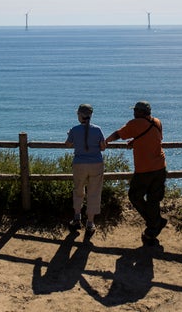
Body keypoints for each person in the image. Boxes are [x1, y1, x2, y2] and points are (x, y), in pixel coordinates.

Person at [105, 100, 167, 245]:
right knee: (153, 200)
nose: (133, 113)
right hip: (160, 167)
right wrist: (136, 141)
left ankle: (155, 223)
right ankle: (152, 229)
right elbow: (154, 138)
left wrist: (105, 141)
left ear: (139, 112)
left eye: (135, 111)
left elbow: (118, 134)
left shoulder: (135, 123)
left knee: (134, 196)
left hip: (145, 170)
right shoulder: (157, 122)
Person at [65, 103, 106, 234]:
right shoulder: (98, 129)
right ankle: (90, 223)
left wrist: (70, 135)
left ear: (80, 115)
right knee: (94, 193)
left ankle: (77, 219)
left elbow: (68, 144)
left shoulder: (74, 129)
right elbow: (103, 147)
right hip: (96, 164)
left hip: (79, 164)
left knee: (78, 191)